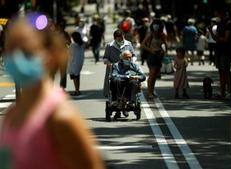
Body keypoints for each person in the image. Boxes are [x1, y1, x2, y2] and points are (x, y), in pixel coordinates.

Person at [0, 16, 105, 169]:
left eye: (26, 52)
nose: (16, 58)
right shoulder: (11, 115)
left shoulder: (60, 117)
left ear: (53, 55)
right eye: (10, 50)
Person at [110, 50, 146, 116]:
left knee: (134, 82)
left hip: (130, 84)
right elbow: (114, 75)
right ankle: (116, 101)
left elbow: (143, 76)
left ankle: (131, 102)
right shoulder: (116, 65)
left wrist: (136, 77)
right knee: (114, 80)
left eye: (130, 57)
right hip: (120, 83)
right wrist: (125, 76)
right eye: (127, 58)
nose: (129, 59)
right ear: (122, 58)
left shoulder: (134, 65)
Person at [103, 30, 136, 97]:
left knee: (130, 81)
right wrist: (109, 64)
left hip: (127, 67)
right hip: (114, 68)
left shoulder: (128, 44)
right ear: (115, 38)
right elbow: (105, 58)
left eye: (122, 38)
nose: (121, 40)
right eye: (119, 39)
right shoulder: (110, 46)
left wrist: (132, 61)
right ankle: (113, 96)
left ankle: (129, 96)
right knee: (114, 82)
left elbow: (134, 55)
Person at [209, 9, 231, 99]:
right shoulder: (219, 24)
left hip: (226, 50)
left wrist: (219, 38)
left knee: (226, 71)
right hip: (219, 50)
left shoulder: (228, 23)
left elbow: (226, 39)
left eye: (217, 14)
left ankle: (229, 92)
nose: (216, 16)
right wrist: (211, 31)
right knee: (220, 71)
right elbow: (216, 39)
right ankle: (222, 92)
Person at [141, 19, 167, 99]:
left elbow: (165, 45)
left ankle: (152, 91)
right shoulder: (150, 34)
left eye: (158, 28)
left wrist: (164, 51)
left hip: (159, 56)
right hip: (152, 56)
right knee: (152, 75)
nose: (156, 30)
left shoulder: (161, 35)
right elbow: (143, 45)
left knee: (155, 75)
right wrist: (151, 50)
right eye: (155, 28)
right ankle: (149, 93)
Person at [68, 32, 85, 96]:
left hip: (74, 63)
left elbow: (69, 53)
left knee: (75, 77)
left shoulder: (73, 45)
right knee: (77, 77)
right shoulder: (81, 44)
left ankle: (77, 91)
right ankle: (77, 90)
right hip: (79, 63)